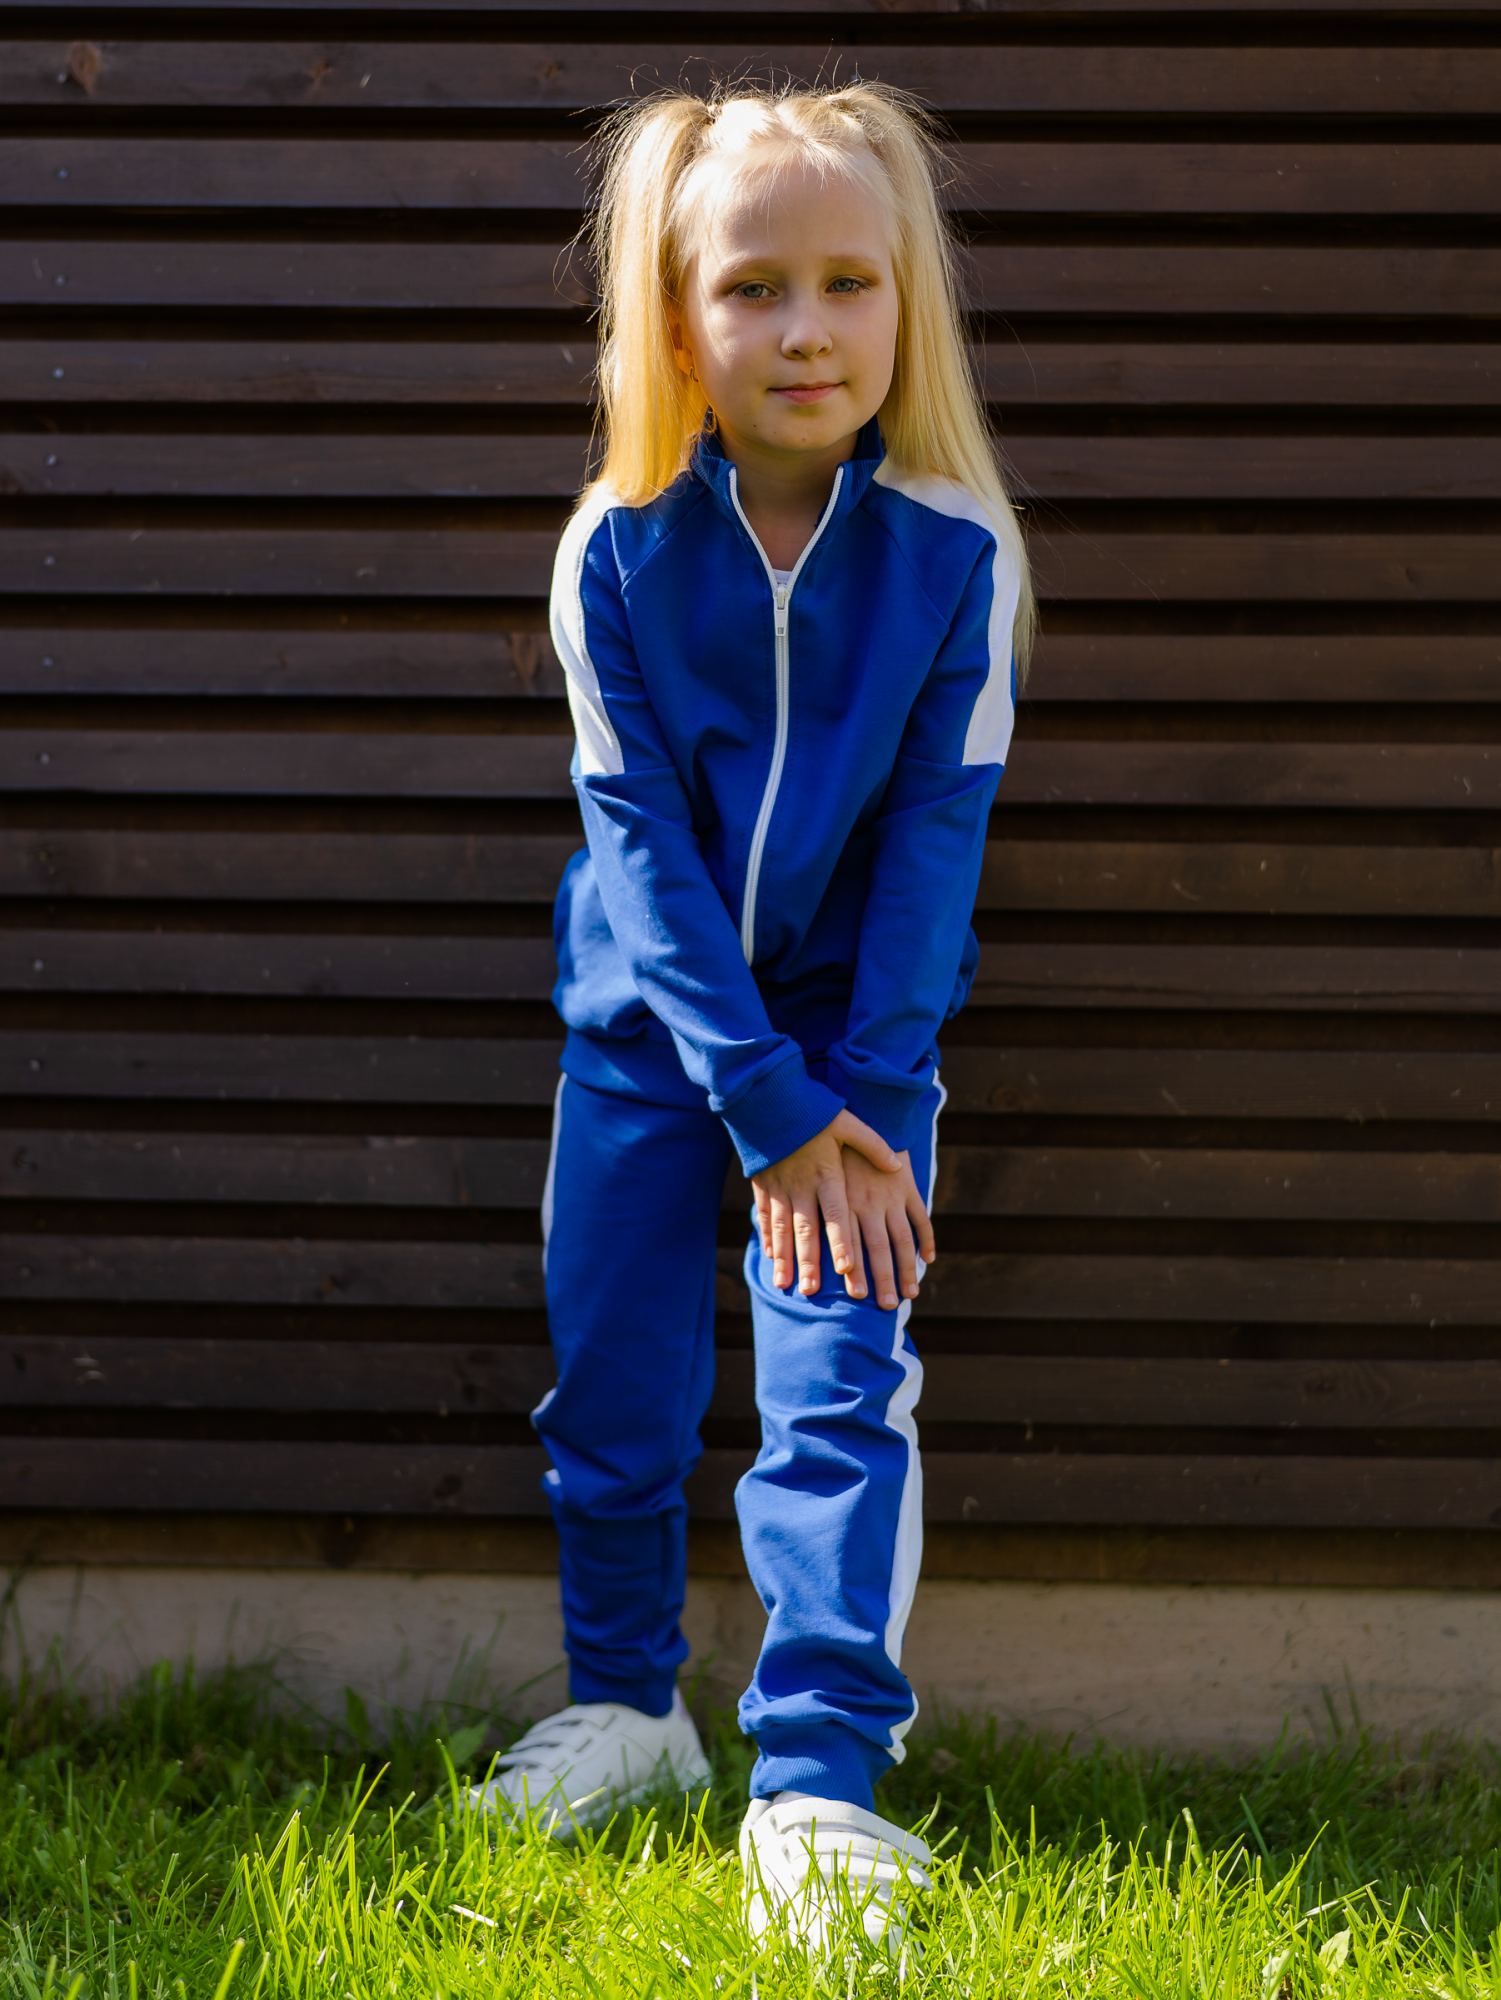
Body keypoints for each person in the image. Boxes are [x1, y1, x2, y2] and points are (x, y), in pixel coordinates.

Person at [465, 75, 1037, 1957]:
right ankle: (628, 1710)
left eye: (848, 284)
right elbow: (635, 845)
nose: (806, 331)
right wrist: (754, 1100)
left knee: (836, 1393)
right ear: (674, 319)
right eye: (753, 288)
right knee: (614, 1382)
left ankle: (816, 1784)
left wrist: (846, 1102)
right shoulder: (616, 553)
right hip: (652, 1033)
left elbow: (934, 850)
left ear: (905, 304)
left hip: (860, 1054)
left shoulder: (954, 552)